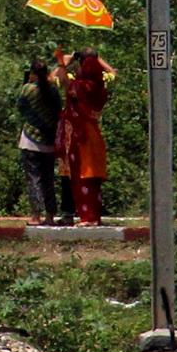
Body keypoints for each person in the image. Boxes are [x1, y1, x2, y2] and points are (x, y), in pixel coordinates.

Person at [55, 46, 116, 226]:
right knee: (93, 179)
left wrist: (63, 62)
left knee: (82, 177)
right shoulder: (101, 88)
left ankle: (88, 217)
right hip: (94, 134)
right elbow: (112, 72)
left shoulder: (80, 87)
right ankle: (94, 216)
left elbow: (61, 80)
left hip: (81, 137)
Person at [17, 59, 61, 225]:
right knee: (48, 179)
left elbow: (21, 108)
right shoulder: (53, 91)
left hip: (30, 139)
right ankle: (50, 215)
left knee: (33, 178)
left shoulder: (27, 89)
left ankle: (36, 215)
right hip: (49, 140)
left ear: (33, 73)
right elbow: (58, 111)